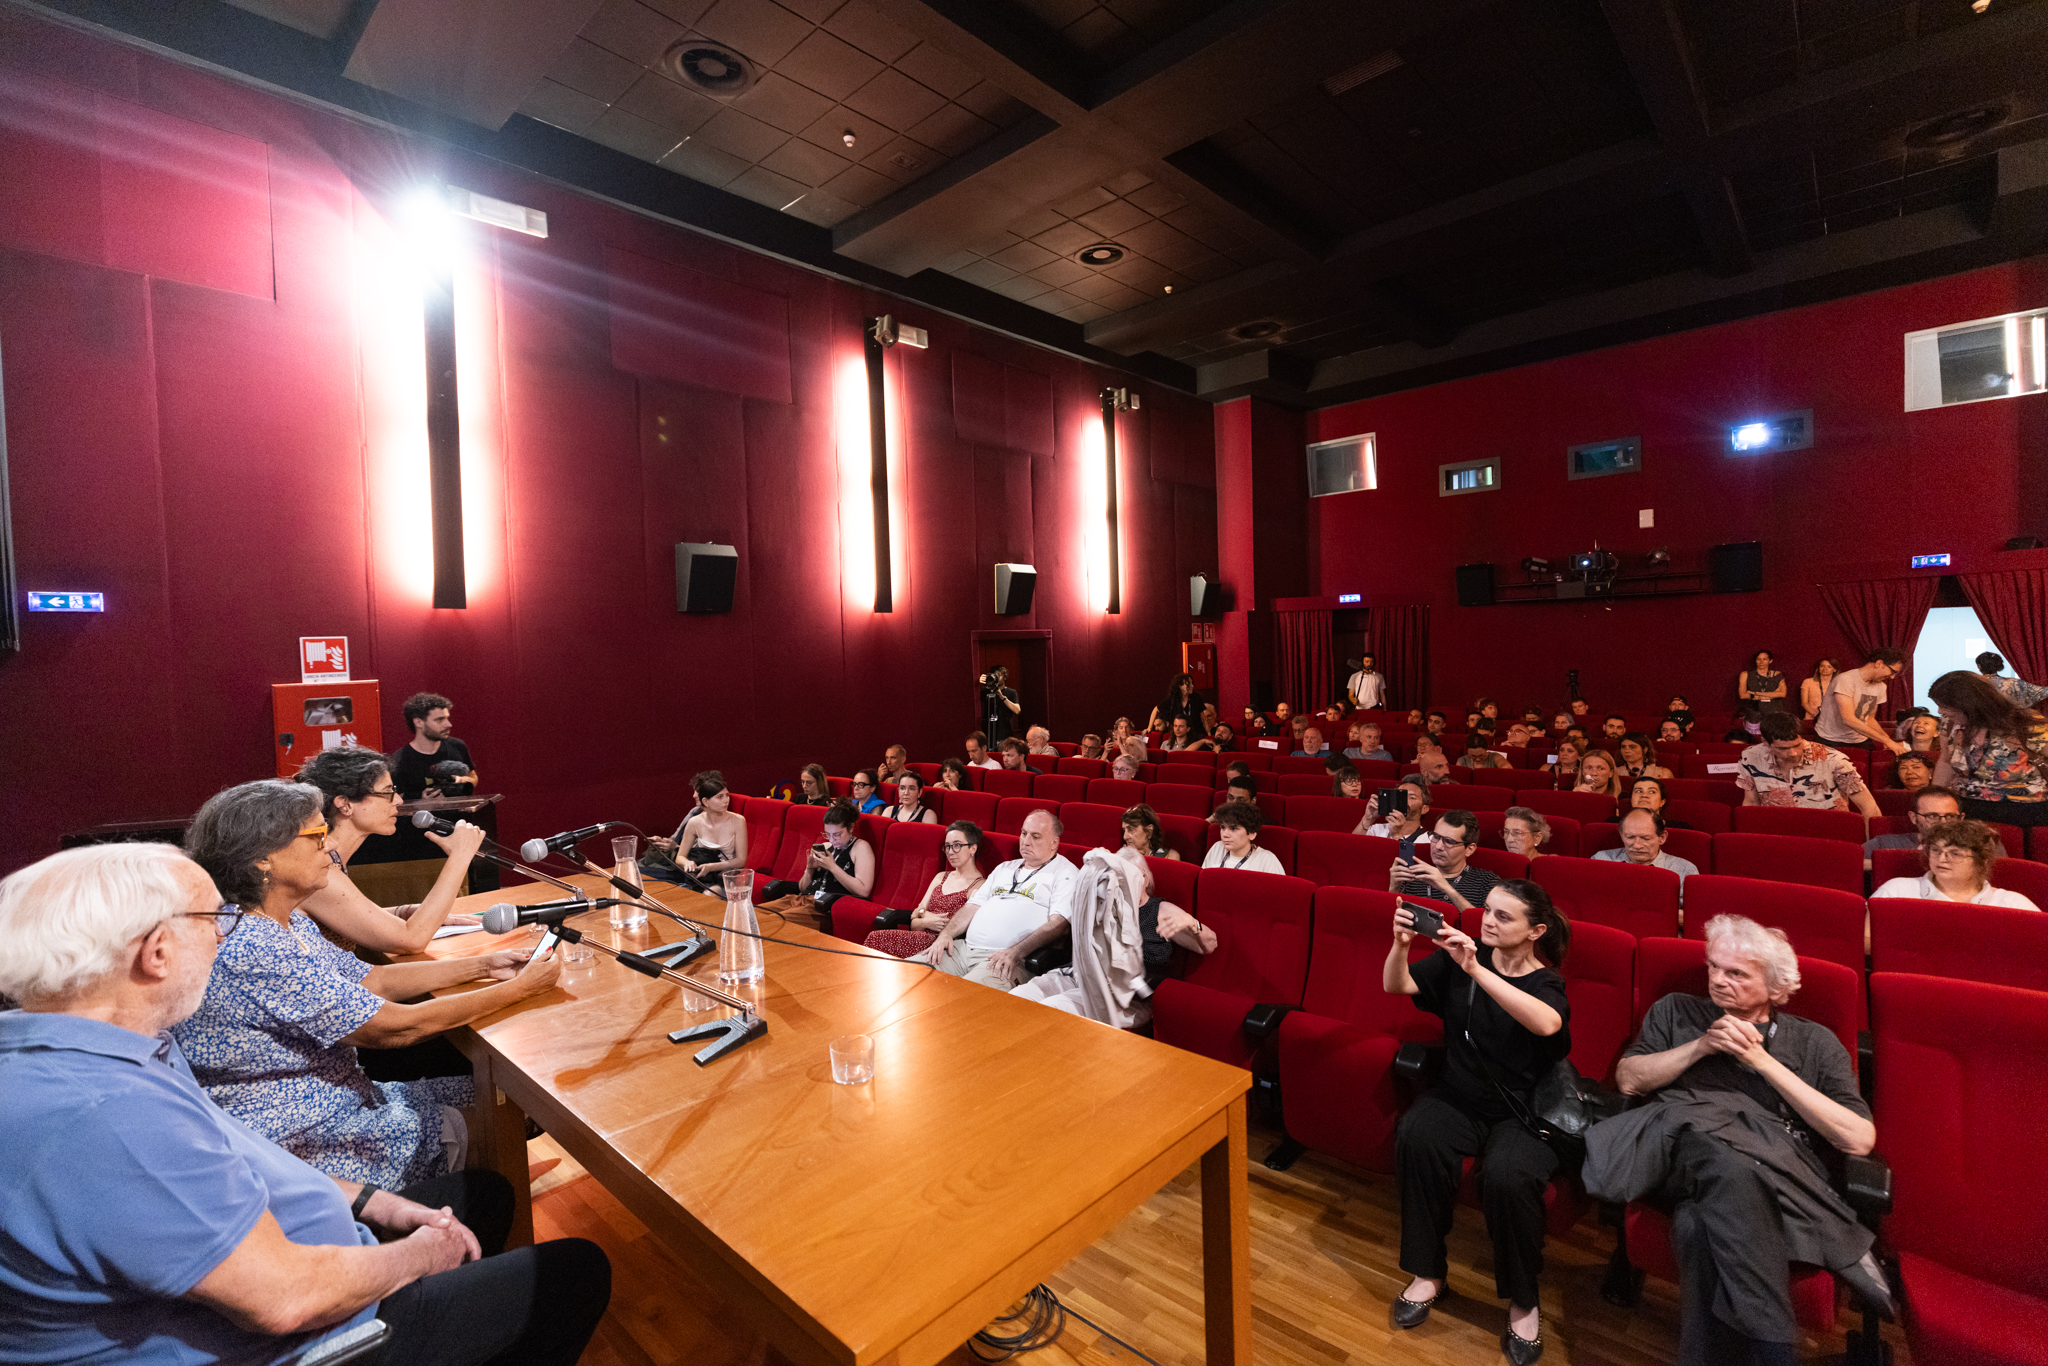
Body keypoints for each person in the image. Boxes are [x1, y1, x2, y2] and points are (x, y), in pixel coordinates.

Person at [0, 843, 611, 1366]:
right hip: (307, 1335)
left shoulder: (110, 1045)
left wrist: (373, 1201)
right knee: (575, 1271)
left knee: (486, 1194)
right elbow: (286, 1299)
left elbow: (239, 1160)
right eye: (215, 917)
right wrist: (422, 1255)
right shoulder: (102, 1114)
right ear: (156, 951)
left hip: (308, 1252)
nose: (223, 935)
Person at [174, 781, 560, 1187]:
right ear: (262, 859)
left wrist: (485, 965)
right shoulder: (252, 945)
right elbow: (391, 1028)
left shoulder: (283, 921)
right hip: (308, 1138)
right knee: (512, 1114)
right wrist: (518, 989)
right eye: (316, 836)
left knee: (523, 1099)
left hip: (350, 1098)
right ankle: (482, 1203)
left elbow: (371, 978)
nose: (329, 846)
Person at [1599, 915, 1887, 1366]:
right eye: (1714, 967)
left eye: (1736, 973)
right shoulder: (1676, 1011)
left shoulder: (1814, 1041)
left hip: (1759, 1178)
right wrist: (1700, 1047)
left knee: (1696, 1226)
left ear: (1776, 987)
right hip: (1682, 1153)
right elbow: (1629, 1079)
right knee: (1715, 1152)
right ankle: (1787, 1330)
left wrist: (1763, 1063)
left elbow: (1858, 1138)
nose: (1718, 980)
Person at [1384, 880, 1572, 1361]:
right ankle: (1428, 1272)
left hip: (1521, 1110)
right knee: (1416, 1135)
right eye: (1487, 910)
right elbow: (1397, 985)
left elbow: (1547, 1023)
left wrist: (1475, 969)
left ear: (1536, 931)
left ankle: (1524, 1300)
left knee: (1510, 1178)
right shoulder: (1461, 956)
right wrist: (1401, 946)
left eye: (1503, 916)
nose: (1488, 920)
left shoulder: (1545, 982)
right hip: (1461, 1096)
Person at [294, 747, 484, 954]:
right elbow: (411, 941)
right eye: (387, 792)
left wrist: (403, 912)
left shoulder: (331, 860)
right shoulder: (321, 872)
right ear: (345, 804)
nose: (398, 800)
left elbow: (345, 914)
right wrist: (460, 856)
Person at [1009, 844, 1216, 1022]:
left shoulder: (1159, 910)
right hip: (1076, 975)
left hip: (1124, 995)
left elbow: (1209, 944)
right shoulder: (1104, 905)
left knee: (1053, 1009)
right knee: (1017, 997)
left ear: (1144, 879)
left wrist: (1193, 924)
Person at [926, 810, 1078, 987]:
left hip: (1008, 959)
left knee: (961, 995)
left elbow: (1059, 925)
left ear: (1054, 843)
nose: (1026, 841)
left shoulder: (1066, 873)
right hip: (963, 950)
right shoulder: (1004, 868)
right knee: (912, 974)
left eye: (1035, 836)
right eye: (1024, 833)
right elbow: (972, 906)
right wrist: (946, 934)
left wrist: (1016, 952)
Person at [1928, 667, 2048, 828]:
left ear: (1967, 703)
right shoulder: (1950, 723)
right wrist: (1933, 798)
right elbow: (1946, 761)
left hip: (2023, 809)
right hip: (1967, 807)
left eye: (1944, 706)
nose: (1939, 711)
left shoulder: (2022, 723)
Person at [864, 822, 985, 958]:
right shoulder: (941, 877)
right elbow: (914, 919)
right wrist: (926, 920)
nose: (950, 852)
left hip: (942, 947)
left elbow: (962, 929)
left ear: (973, 849)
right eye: (948, 846)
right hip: (920, 937)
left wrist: (923, 916)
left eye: (957, 846)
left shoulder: (979, 886)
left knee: (875, 940)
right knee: (874, 939)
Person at [1870, 819, 2039, 907]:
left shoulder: (2012, 903)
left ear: (1981, 860)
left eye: (1955, 853)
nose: (1942, 858)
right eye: (1936, 850)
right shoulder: (1897, 890)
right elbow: (1868, 941)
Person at [1738, 713, 1882, 816]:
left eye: (1797, 745)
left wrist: (1869, 844)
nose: (1793, 753)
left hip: (1827, 830)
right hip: (1779, 830)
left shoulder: (1833, 760)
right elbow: (1751, 802)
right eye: (1783, 749)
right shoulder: (1750, 757)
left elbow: (1868, 807)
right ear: (1765, 742)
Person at [762, 800, 875, 913]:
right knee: (759, 912)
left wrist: (832, 867)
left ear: (850, 828)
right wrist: (809, 869)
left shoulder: (860, 847)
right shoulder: (826, 846)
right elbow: (802, 888)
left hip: (822, 906)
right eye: (828, 834)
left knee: (772, 919)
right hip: (801, 899)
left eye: (837, 835)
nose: (831, 840)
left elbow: (863, 891)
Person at [651, 770, 750, 892]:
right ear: (705, 801)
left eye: (727, 795)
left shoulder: (738, 820)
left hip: (725, 877)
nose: (726, 800)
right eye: (720, 797)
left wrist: (712, 867)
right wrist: (687, 863)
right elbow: (680, 857)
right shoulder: (694, 822)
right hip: (701, 877)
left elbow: (741, 861)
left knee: (711, 893)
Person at [1392, 810, 1501, 909]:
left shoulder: (1486, 881)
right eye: (1436, 836)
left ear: (1469, 849)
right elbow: (1392, 918)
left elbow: (1484, 922)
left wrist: (1447, 889)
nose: (1438, 846)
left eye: (1449, 841)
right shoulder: (1413, 877)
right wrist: (1394, 887)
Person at [1861, 784, 2004, 859]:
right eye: (1932, 816)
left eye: (1950, 816)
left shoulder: (1984, 844)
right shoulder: (1885, 844)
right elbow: (1851, 864)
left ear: (1961, 819)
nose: (1942, 822)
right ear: (1913, 818)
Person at [385, 692, 476, 801]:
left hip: (460, 812)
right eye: (439, 720)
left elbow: (473, 777)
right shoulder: (399, 760)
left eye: (447, 718)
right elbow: (392, 799)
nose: (448, 724)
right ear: (419, 722)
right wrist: (419, 801)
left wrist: (463, 781)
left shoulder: (457, 746)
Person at [1817, 648, 1909, 754]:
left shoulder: (1881, 687)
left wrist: (1888, 740)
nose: (1892, 677)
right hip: (1831, 740)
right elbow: (1848, 719)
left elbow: (1869, 718)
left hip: (1861, 740)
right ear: (1879, 663)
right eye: (1893, 671)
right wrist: (1886, 741)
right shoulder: (1845, 680)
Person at [1593, 808, 1699, 885]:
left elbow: (1690, 909)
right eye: (1630, 837)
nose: (1637, 845)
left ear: (1662, 838)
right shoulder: (1601, 860)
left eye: (1645, 838)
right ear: (1621, 835)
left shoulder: (1684, 870)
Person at [1201, 801, 1285, 874]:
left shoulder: (1267, 859)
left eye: (1233, 829)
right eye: (1223, 827)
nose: (1225, 834)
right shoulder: (1217, 848)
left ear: (1251, 833)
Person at [1357, 780, 1431, 842]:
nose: (1403, 800)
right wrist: (1368, 819)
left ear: (1424, 809)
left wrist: (1397, 835)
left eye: (1412, 797)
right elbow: (1354, 849)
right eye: (1400, 796)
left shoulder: (1428, 839)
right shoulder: (1377, 829)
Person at [1978, 650, 2048, 707]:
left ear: (1979, 666)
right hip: (2011, 720)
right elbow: (2043, 692)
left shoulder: (1975, 684)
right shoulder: (2014, 683)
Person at [1738, 650, 1789, 715]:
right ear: (1755, 661)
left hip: (1775, 711)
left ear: (1770, 661)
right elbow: (1742, 695)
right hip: (1755, 711)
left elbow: (1783, 694)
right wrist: (1771, 695)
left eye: (1764, 659)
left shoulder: (1777, 674)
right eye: (1758, 659)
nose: (1761, 662)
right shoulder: (1745, 675)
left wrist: (1757, 694)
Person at [979, 665, 1021, 743]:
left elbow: (1017, 710)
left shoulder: (1011, 692)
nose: (997, 677)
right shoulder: (985, 692)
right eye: (994, 675)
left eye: (999, 675)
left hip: (1005, 733)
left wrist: (1002, 697)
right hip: (988, 733)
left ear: (1005, 677)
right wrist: (978, 683)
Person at [1799, 658, 1839, 725]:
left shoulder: (1838, 683)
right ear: (1818, 668)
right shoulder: (1808, 682)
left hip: (1832, 721)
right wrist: (1817, 715)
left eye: (1829, 667)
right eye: (1822, 666)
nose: (1825, 669)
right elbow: (1804, 703)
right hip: (1812, 719)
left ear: (1834, 669)